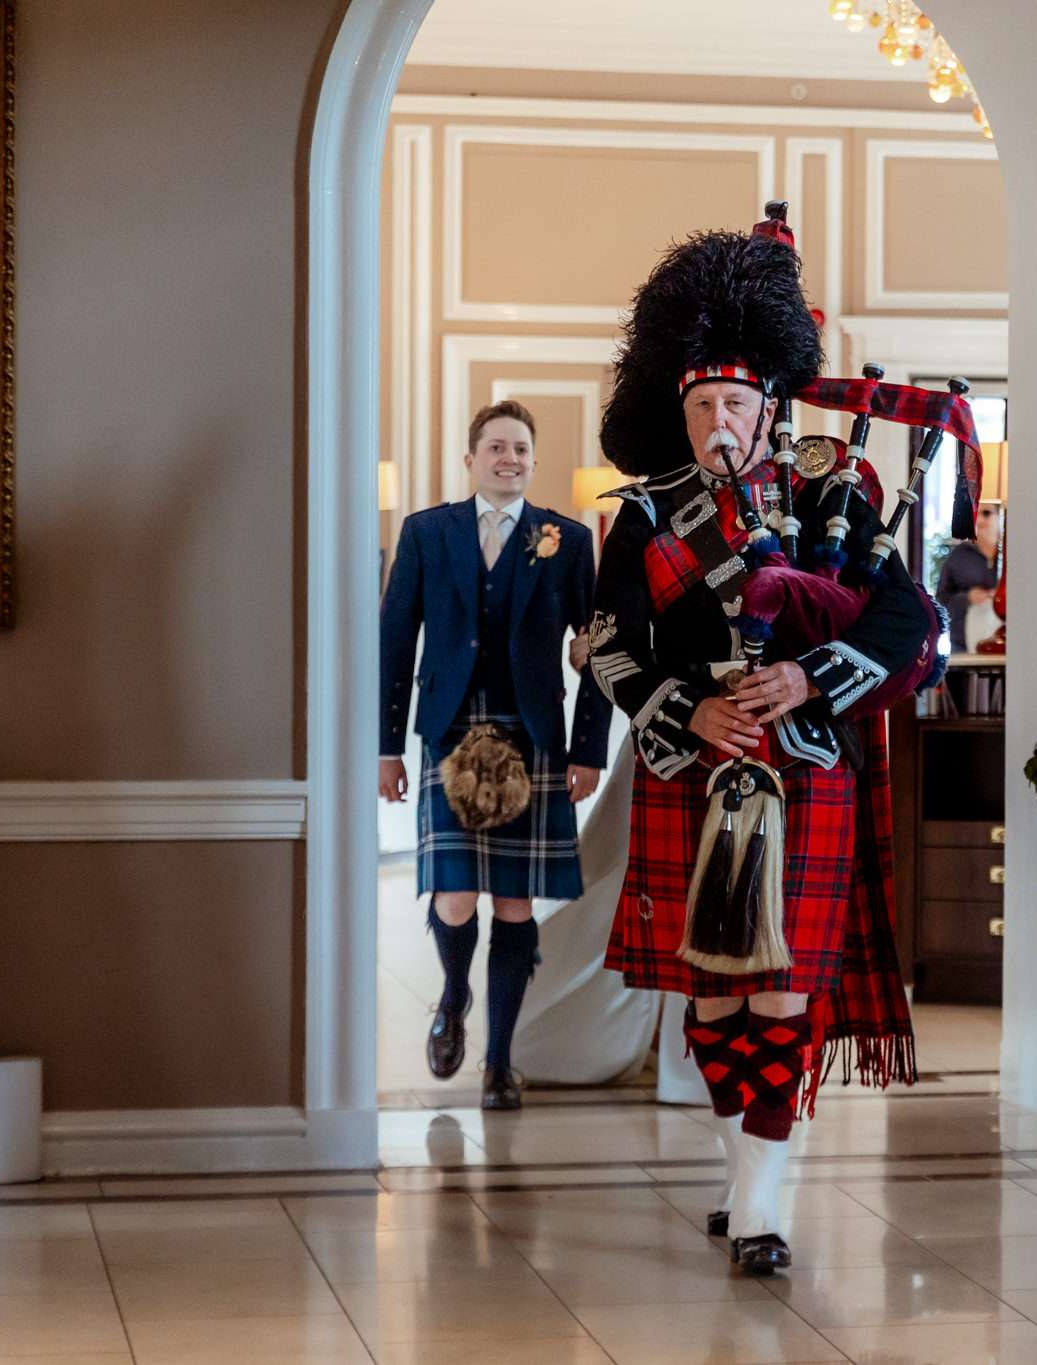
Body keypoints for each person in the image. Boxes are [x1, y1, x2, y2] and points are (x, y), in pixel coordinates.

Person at [588, 210, 938, 1276]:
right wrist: (684, 709)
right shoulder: (646, 519)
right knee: (718, 989)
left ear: (766, 403)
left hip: (802, 766)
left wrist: (806, 677)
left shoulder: (835, 500)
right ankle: (745, 1167)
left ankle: (760, 1197)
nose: (717, 423)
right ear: (679, 412)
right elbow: (606, 646)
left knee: (782, 984)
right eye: (699, 406)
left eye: (733, 402)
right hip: (693, 767)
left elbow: (906, 625)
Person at [378, 399, 614, 1110]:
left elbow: (598, 648)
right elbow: (394, 644)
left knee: (514, 904)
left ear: (532, 461)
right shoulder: (426, 533)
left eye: (520, 449)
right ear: (470, 458)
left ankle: (500, 1060)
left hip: (533, 732)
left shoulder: (567, 540)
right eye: (496, 447)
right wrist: (386, 747)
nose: (509, 458)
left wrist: (588, 748)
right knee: (454, 896)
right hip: (449, 730)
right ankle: (454, 995)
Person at [934, 504, 999, 650]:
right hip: (963, 644)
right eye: (977, 513)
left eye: (987, 513)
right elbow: (941, 600)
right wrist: (967, 598)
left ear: (1000, 516)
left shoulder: (1013, 555)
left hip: (1003, 643)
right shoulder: (960, 556)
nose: (980, 520)